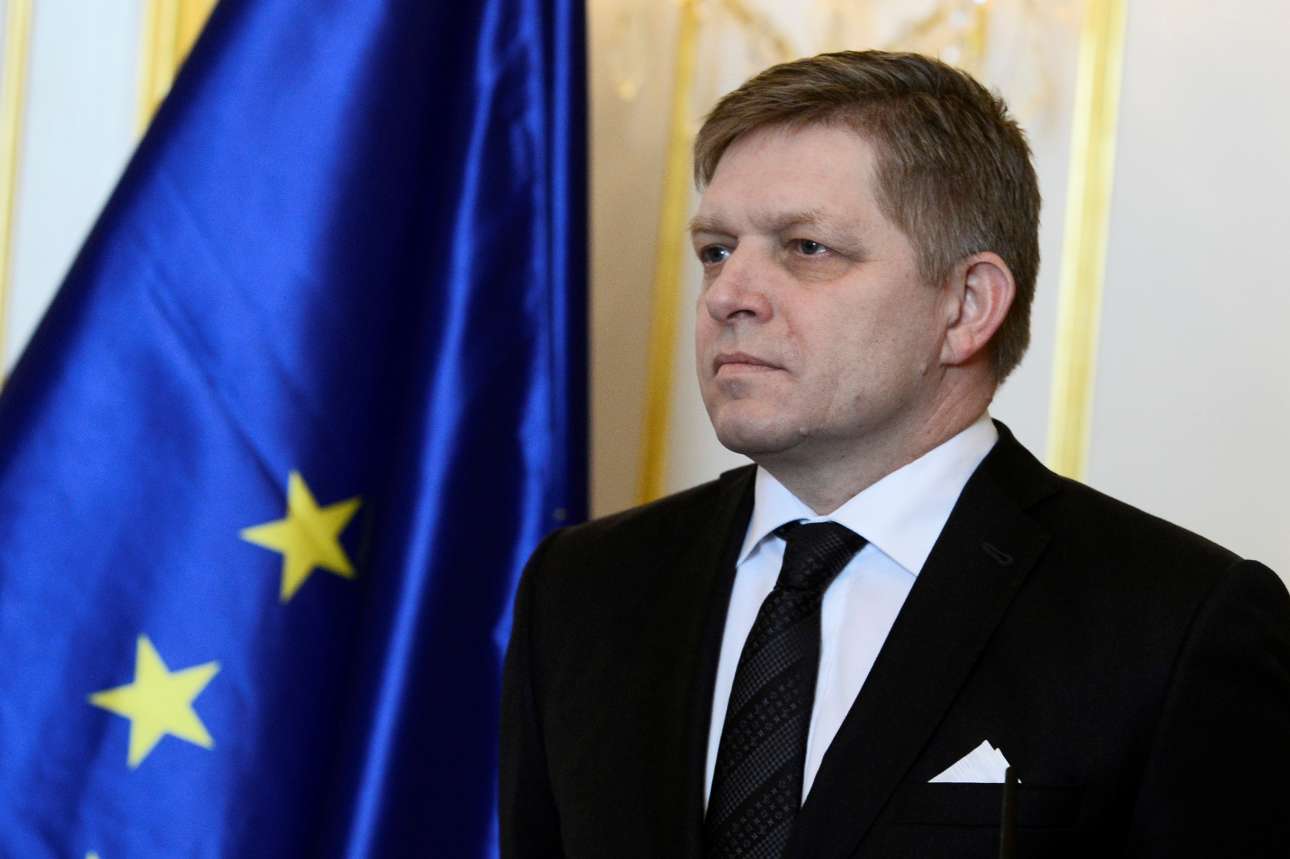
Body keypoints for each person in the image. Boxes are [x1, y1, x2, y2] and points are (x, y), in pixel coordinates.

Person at [499, 50, 1290, 858]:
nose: (729, 294)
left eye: (806, 247)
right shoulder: (583, 589)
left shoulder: (1176, 623)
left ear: (967, 306)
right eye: (716, 249)